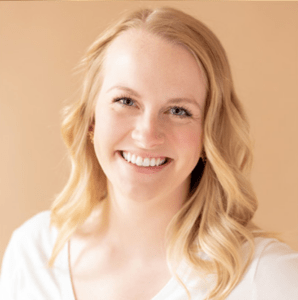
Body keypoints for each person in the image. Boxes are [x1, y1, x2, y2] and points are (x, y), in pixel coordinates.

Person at [0, 6, 297, 300]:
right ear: (92, 118)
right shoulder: (31, 253)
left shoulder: (266, 277)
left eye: (179, 110)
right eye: (126, 101)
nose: (147, 135)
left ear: (209, 134)